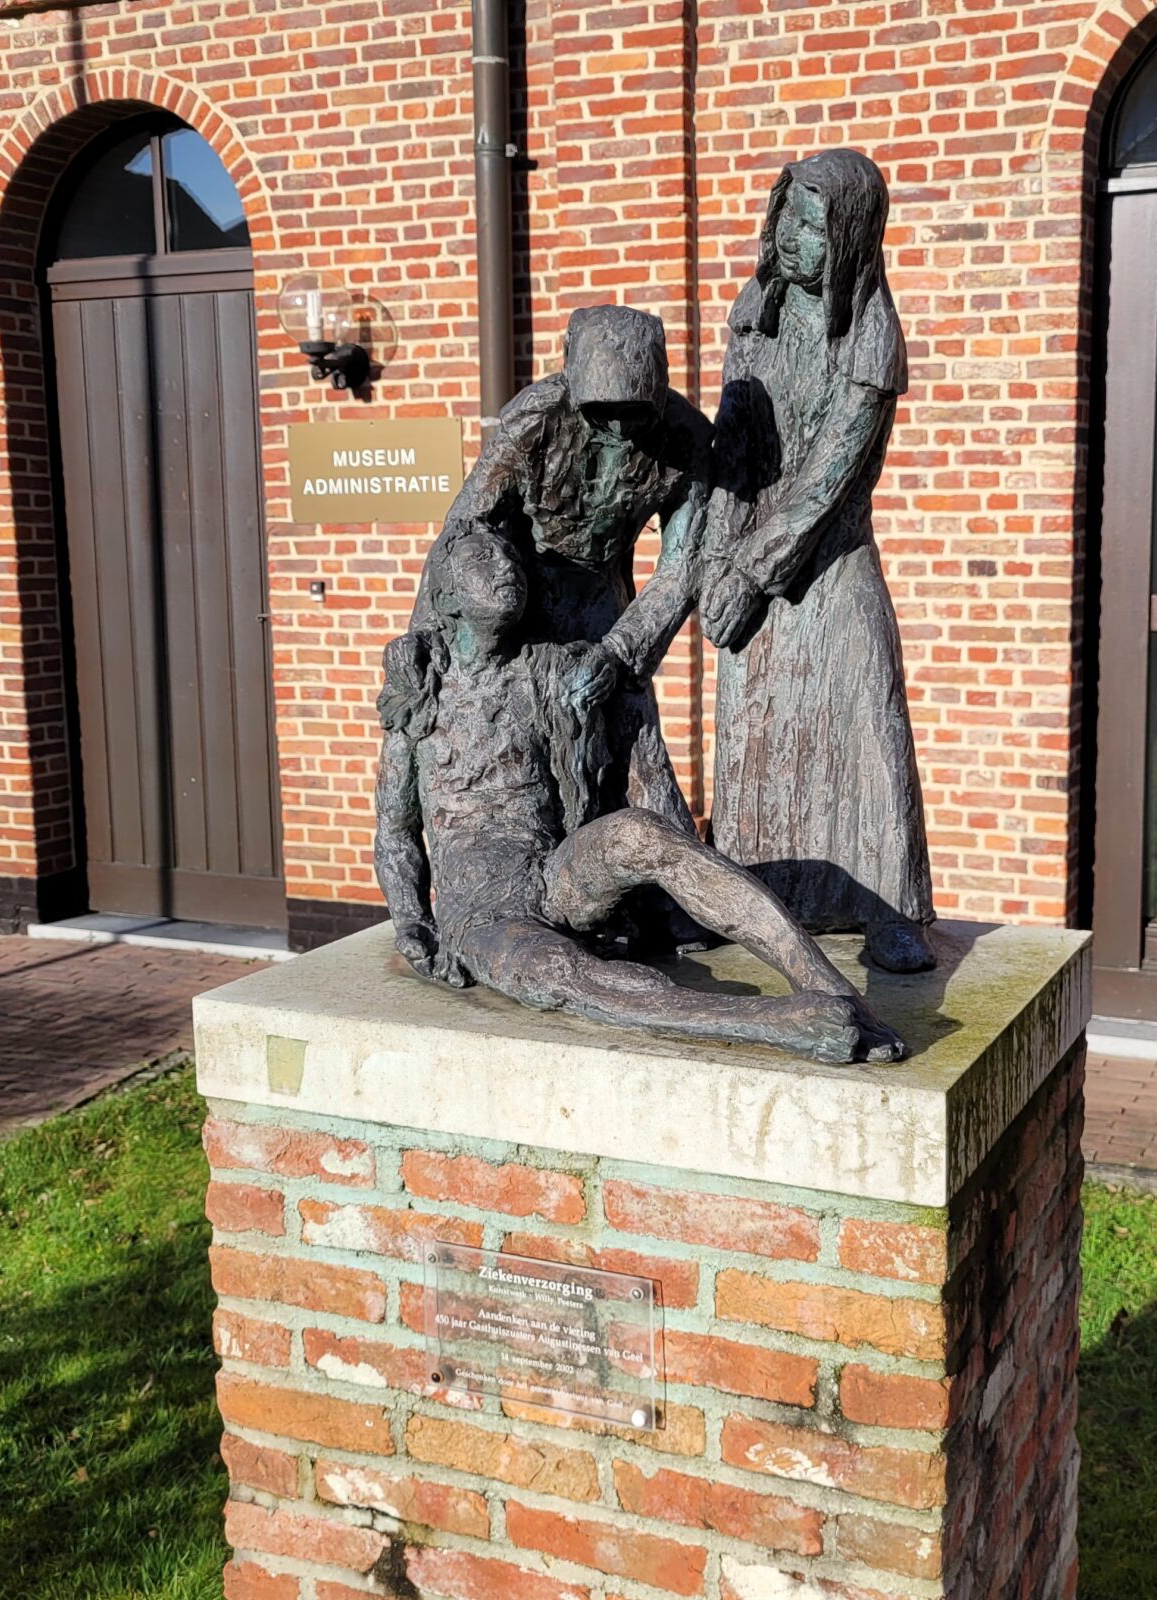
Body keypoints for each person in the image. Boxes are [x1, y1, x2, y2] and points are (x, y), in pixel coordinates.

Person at [375, 522, 906, 1064]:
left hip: (553, 872)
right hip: (482, 911)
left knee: (642, 833)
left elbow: (620, 654)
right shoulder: (418, 697)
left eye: (508, 555)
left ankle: (829, 985)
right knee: (558, 973)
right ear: (446, 599)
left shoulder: (545, 672)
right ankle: (777, 1023)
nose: (506, 567)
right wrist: (411, 919)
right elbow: (395, 832)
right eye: (481, 561)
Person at [588, 148, 936, 973]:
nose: (792, 238)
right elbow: (736, 442)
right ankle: (750, 897)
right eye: (788, 218)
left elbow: (827, 483)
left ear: (852, 241)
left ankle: (890, 909)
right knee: (755, 742)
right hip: (749, 556)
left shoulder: (871, 339)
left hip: (832, 565)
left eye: (814, 228)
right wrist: (719, 556)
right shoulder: (756, 316)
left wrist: (751, 572)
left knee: (868, 725)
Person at [415, 304, 708, 831]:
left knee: (634, 741)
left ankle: (669, 864)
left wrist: (619, 653)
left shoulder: (686, 438)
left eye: (634, 411)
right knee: (543, 753)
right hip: (521, 597)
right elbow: (464, 529)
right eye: (602, 411)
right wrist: (425, 636)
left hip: (605, 606)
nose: (618, 427)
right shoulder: (534, 419)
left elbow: (682, 564)